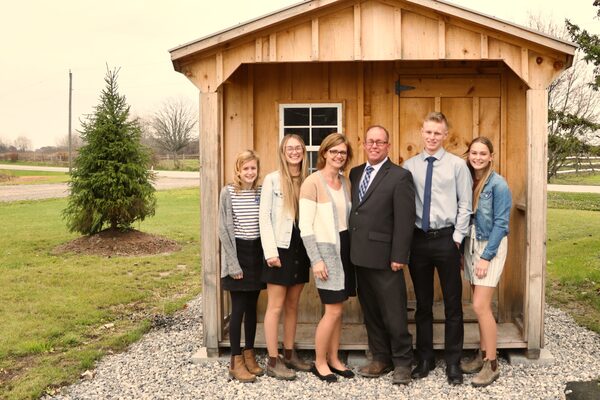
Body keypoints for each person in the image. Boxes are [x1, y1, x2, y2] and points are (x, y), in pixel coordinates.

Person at [403, 112, 472, 385]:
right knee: (423, 304)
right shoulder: (409, 166)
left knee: (453, 304)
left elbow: (465, 204)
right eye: (428, 132)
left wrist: (457, 237)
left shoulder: (457, 166)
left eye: (437, 133)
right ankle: (425, 358)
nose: (432, 137)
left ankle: (453, 361)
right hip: (419, 240)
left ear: (445, 135)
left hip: (446, 239)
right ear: (422, 132)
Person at [348, 125, 416, 385]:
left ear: (388, 145)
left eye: (380, 142)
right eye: (370, 141)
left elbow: (405, 220)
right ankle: (380, 357)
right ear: (364, 144)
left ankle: (403, 362)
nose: (374, 146)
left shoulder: (400, 176)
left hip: (387, 258)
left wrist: (399, 255)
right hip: (359, 255)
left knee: (394, 312)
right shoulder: (355, 173)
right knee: (371, 311)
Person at [299, 133, 356, 383]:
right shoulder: (312, 182)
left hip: (346, 248)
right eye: (334, 151)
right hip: (326, 251)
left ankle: (334, 358)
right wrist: (316, 259)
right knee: (332, 309)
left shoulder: (345, 182)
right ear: (324, 153)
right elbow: (305, 226)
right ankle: (319, 362)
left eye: (342, 152)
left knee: (339, 309)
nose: (338, 156)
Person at [460, 137, 512, 387]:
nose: (478, 157)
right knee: (478, 305)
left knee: (481, 306)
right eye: (474, 153)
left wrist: (486, 257)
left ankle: (492, 365)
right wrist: (463, 253)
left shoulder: (498, 184)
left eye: (483, 153)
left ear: (491, 156)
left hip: (489, 246)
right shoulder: (468, 180)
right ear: (468, 154)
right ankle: (482, 355)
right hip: (471, 244)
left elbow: (501, 224)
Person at [259, 134, 312, 380]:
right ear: (283, 152)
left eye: (298, 148)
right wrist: (270, 252)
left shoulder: (308, 179)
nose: (294, 152)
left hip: (301, 248)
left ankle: (289, 354)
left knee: (292, 305)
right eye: (289, 148)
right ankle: (273, 360)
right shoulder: (272, 180)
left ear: (303, 151)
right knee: (276, 306)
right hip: (280, 248)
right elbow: (264, 218)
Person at [218, 150, 266, 383]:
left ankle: (249, 354)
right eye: (245, 168)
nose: (249, 172)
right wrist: (233, 265)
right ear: (238, 170)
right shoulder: (228, 192)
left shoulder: (260, 192)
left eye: (253, 168)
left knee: (252, 308)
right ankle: (235, 360)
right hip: (237, 253)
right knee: (238, 308)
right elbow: (223, 230)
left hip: (256, 253)